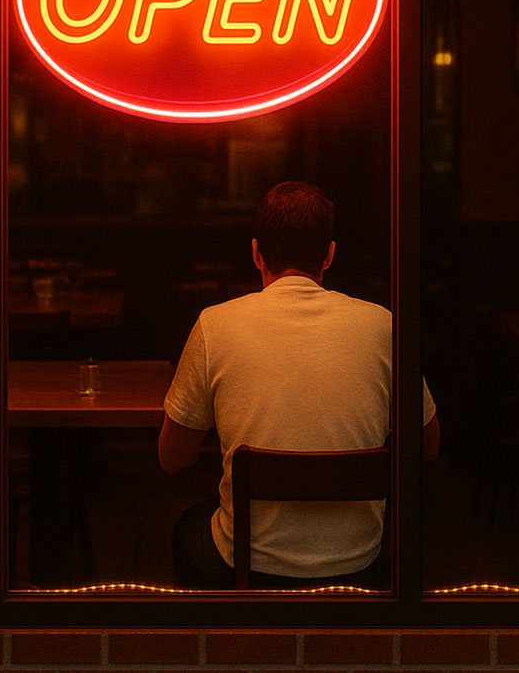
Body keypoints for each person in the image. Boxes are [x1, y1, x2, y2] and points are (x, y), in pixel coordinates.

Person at [159, 181, 440, 588]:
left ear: (256, 253)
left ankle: (223, 645)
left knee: (188, 528)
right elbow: (428, 447)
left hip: (246, 565)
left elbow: (172, 458)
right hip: (361, 562)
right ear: (329, 254)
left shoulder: (214, 324)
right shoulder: (383, 326)